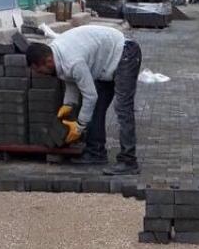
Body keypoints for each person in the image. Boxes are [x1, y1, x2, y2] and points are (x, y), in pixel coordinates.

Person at [26, 25, 142, 175]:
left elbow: (90, 96)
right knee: (97, 108)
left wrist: (79, 126)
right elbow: (71, 80)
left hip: (124, 53)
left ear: (47, 61)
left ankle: (129, 161)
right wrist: (69, 104)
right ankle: (96, 152)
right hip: (105, 61)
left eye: (38, 70)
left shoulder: (72, 61)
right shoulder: (56, 54)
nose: (39, 74)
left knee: (122, 108)